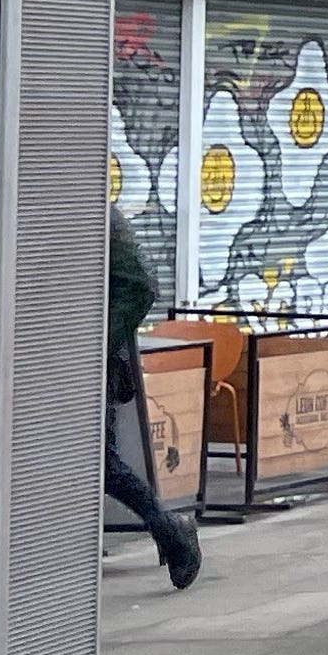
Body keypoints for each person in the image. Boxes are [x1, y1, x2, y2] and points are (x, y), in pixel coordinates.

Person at [105, 203, 202, 587]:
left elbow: (141, 287)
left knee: (100, 462)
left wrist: (98, 342)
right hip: (36, 357)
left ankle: (172, 529)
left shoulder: (99, 211)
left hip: (82, 361)